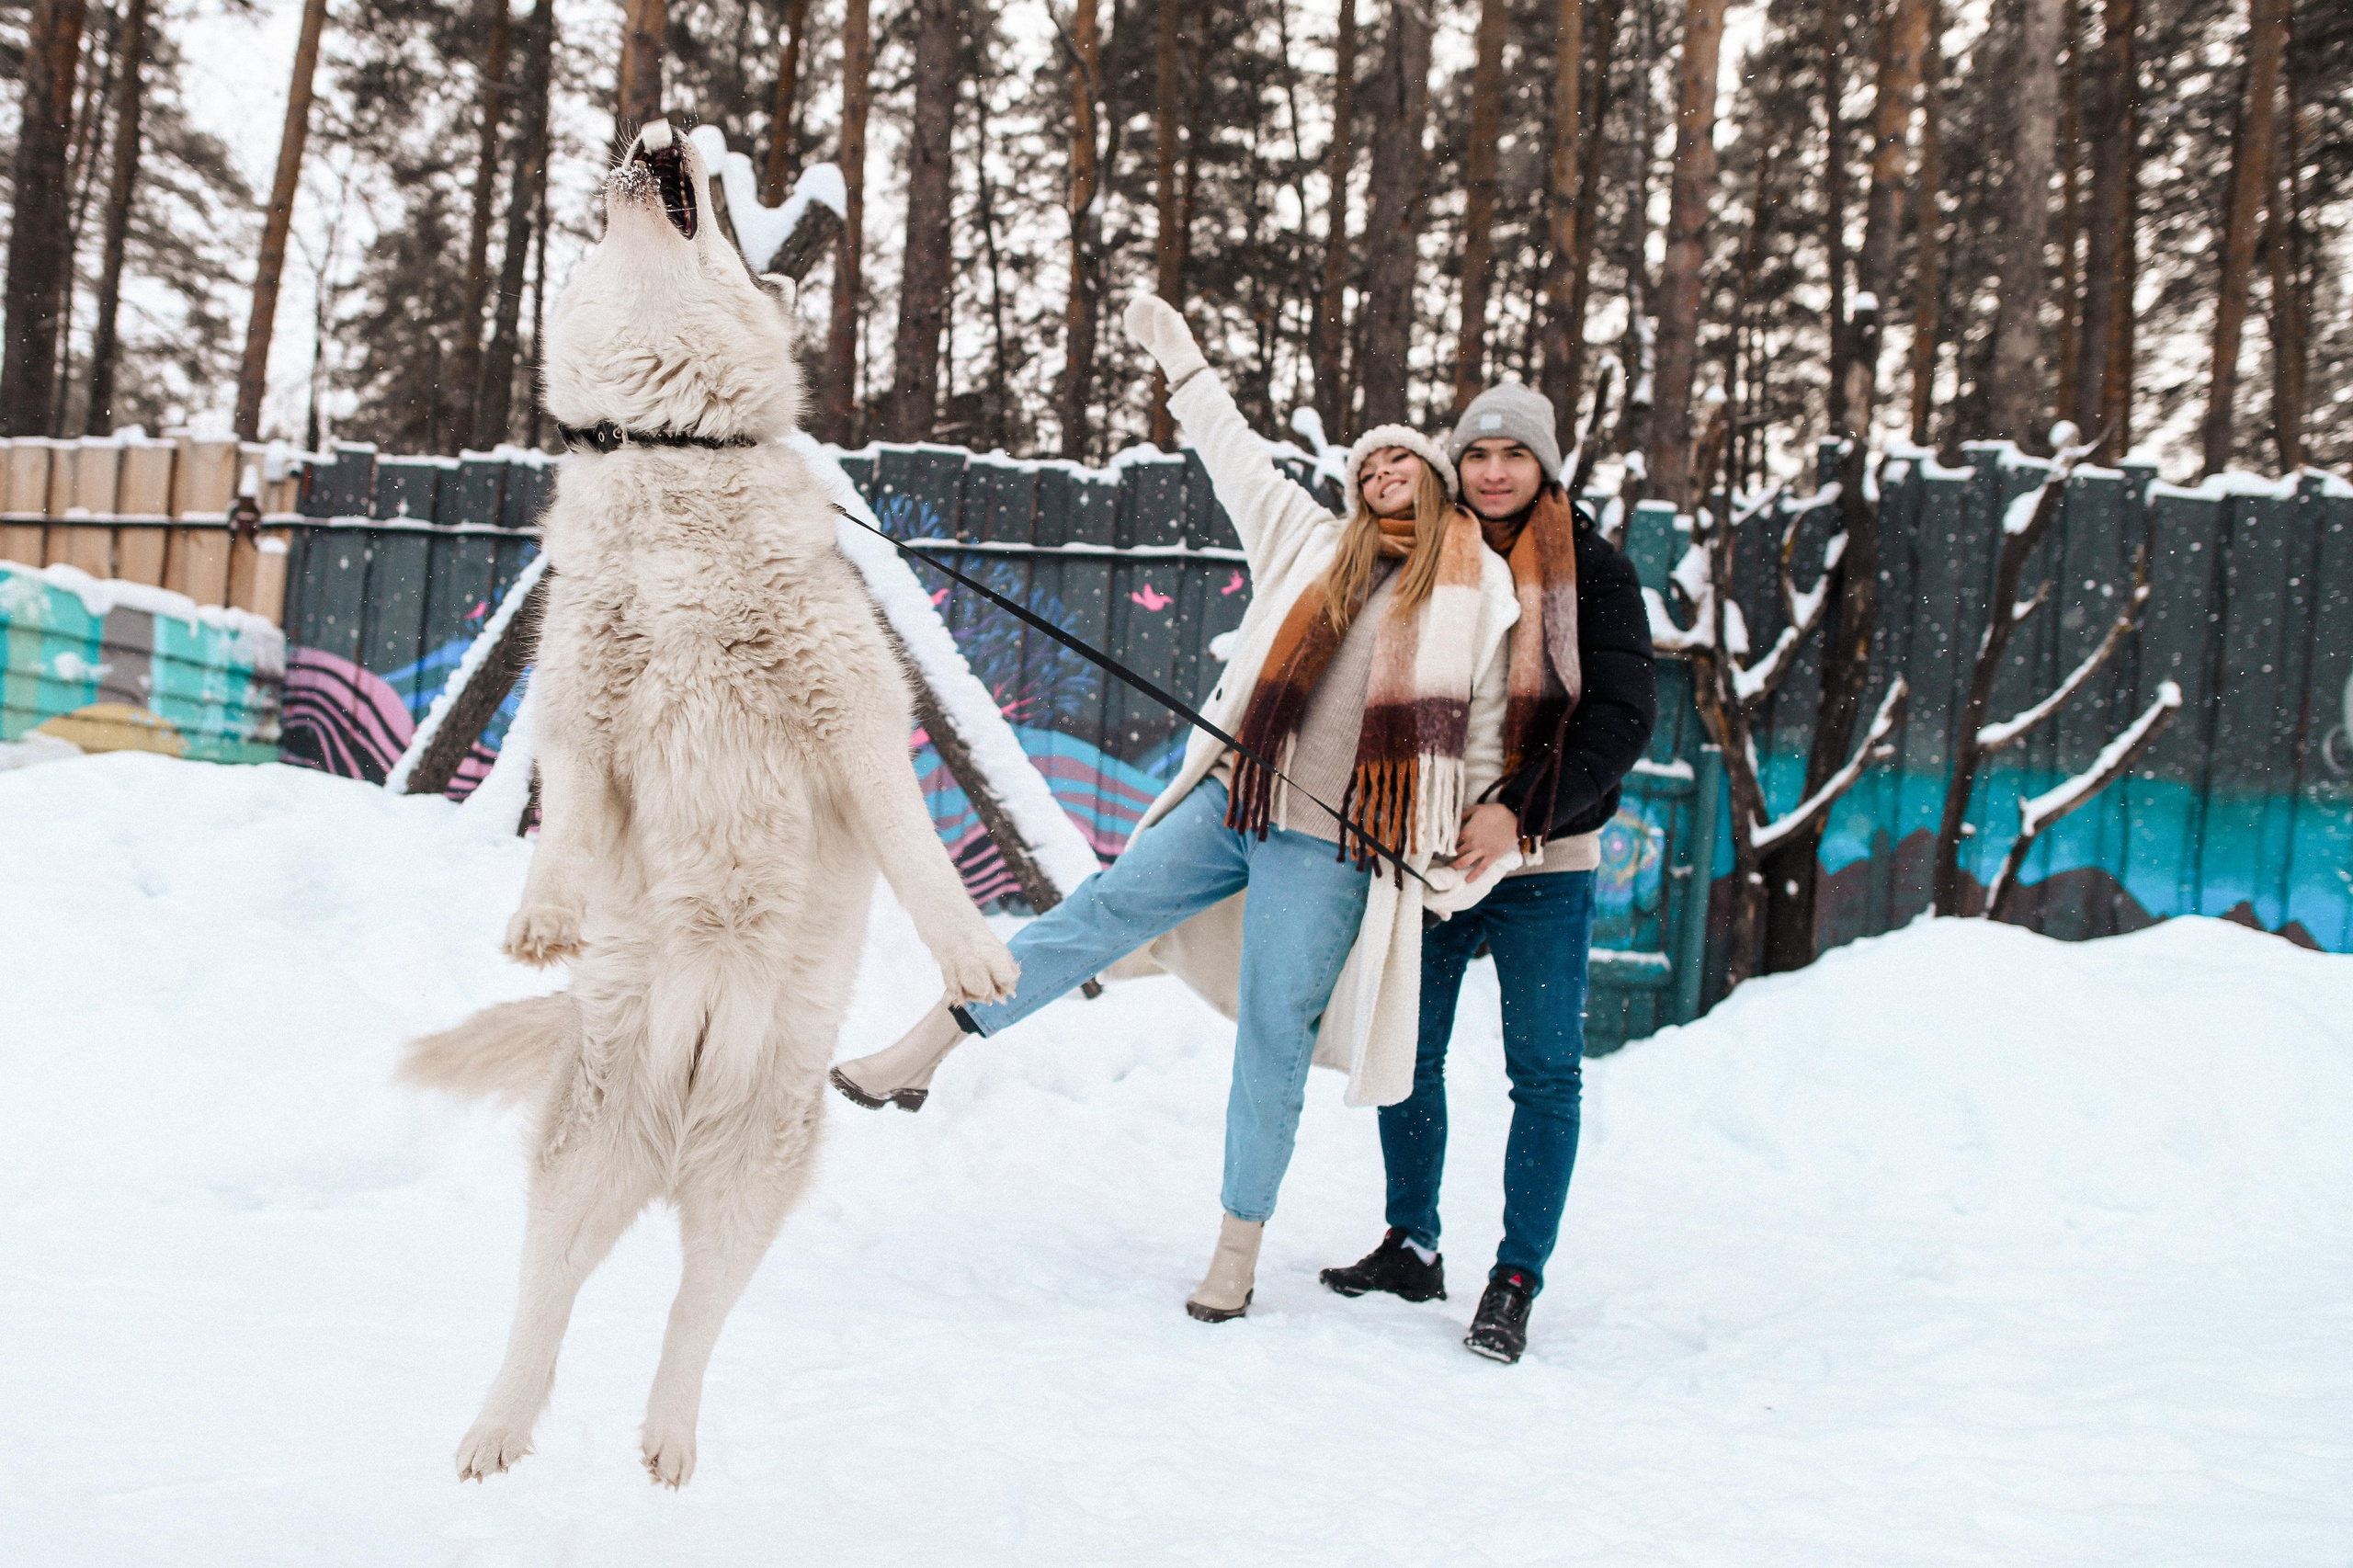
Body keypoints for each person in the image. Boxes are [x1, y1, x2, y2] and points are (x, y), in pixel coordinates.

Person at [831, 296, 1526, 1323]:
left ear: (1433, 482)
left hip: (1337, 847)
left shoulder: (1483, 588)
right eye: (1369, 468)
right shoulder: (1309, 543)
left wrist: (1471, 840)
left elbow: (1481, 735)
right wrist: (1184, 363)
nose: (1383, 478)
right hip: (1232, 799)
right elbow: (1233, 453)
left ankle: (1236, 1248)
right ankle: (925, 1051)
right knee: (1096, 913)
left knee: (1273, 1038)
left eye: (1402, 466)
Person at [1318, 381, 1657, 1365]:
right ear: (1454, 466)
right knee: (1405, 1049)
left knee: (1543, 1071)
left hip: (1546, 857)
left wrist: (1520, 809)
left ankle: (1514, 1276)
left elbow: (1619, 717)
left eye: (1514, 453)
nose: (1495, 470)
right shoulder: (1433, 554)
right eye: (1477, 454)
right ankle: (1411, 1241)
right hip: (1431, 855)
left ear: (1545, 464)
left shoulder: (1592, 571)